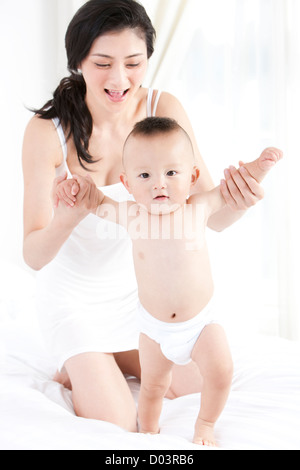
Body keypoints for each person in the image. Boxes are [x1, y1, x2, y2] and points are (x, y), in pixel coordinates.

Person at [22, 0, 268, 433]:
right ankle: (82, 360)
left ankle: (109, 360)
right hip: (75, 302)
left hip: (140, 301)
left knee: (196, 386)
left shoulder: (163, 107)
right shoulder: (48, 132)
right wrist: (72, 213)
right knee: (118, 421)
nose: (119, 80)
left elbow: (209, 216)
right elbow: (34, 255)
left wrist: (238, 200)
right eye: (102, 63)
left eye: (134, 63)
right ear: (78, 61)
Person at [54, 117, 282, 446]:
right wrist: (79, 189)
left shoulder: (198, 207)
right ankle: (148, 431)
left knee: (221, 372)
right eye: (144, 175)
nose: (158, 184)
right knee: (153, 387)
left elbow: (234, 192)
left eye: (171, 173)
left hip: (201, 323)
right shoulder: (131, 214)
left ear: (192, 177)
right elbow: (96, 203)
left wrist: (259, 168)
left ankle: (204, 424)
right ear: (127, 183)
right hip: (155, 330)